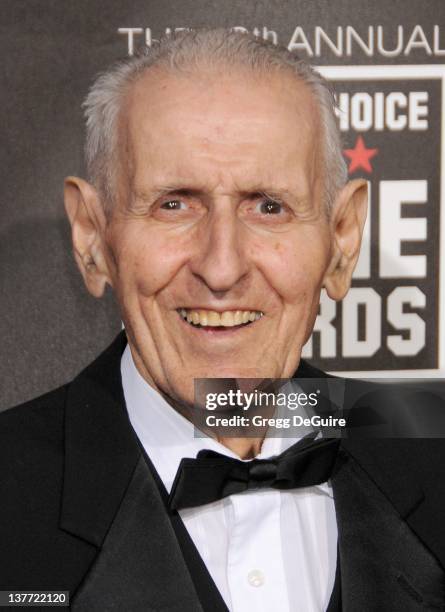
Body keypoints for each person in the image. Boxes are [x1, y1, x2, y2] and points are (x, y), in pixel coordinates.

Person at [1, 28, 444, 612]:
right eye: (174, 203)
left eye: (269, 206)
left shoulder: (432, 455)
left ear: (341, 241)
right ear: (92, 237)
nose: (221, 267)